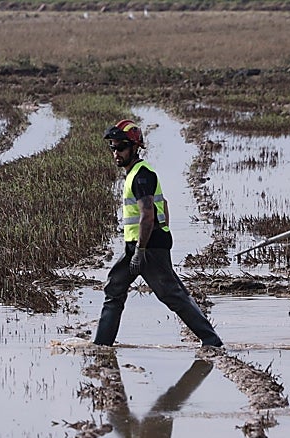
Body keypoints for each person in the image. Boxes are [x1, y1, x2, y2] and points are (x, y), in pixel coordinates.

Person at [93, 120, 222, 348]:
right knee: (115, 287)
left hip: (147, 248)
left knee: (171, 295)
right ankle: (102, 345)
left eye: (120, 147)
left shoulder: (142, 176)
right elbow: (166, 205)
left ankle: (211, 341)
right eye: (112, 147)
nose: (116, 153)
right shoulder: (134, 174)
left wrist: (142, 250)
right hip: (139, 246)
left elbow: (148, 215)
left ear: (135, 148)